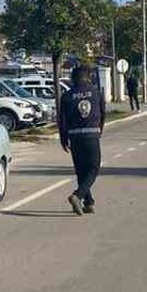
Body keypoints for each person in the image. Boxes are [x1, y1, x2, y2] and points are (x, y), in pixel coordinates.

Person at [59, 64, 105, 215]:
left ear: (73, 78)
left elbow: (62, 120)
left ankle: (88, 202)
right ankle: (77, 196)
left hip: (74, 136)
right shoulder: (96, 92)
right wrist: (100, 131)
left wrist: (63, 138)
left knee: (81, 170)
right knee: (93, 168)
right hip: (91, 135)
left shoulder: (66, 96)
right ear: (88, 77)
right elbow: (103, 113)